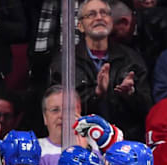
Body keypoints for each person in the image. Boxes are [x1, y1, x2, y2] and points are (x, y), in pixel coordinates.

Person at [50, 0, 153, 143]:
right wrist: (96, 94)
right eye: (91, 14)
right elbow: (59, 109)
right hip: (81, 143)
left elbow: (148, 108)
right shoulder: (65, 61)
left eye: (104, 13)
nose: (99, 17)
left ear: (111, 21)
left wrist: (130, 95)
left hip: (124, 143)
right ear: (80, 25)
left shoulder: (132, 59)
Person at [109, 0, 167, 82]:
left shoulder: (166, 23)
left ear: (124, 22)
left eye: (113, 34)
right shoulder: (126, 40)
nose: (111, 41)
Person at [37, 85, 83, 165]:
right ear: (45, 117)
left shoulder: (94, 147)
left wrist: (85, 151)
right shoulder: (36, 148)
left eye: (68, 110)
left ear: (79, 112)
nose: (62, 116)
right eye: (55, 110)